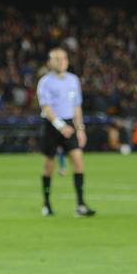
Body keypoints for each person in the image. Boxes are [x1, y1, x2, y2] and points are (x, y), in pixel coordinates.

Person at [36, 47, 95, 217]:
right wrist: (60, 125)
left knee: (78, 162)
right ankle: (47, 204)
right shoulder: (45, 82)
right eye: (57, 59)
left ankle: (81, 204)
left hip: (70, 123)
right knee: (49, 164)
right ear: (50, 62)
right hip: (52, 124)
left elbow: (76, 106)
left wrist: (80, 129)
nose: (61, 61)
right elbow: (46, 107)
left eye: (64, 58)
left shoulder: (73, 80)